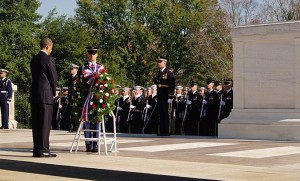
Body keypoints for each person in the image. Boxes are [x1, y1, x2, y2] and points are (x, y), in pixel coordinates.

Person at [30, 37, 57, 157]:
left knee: (36, 125)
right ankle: (44, 149)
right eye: (51, 48)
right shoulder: (48, 60)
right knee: (45, 124)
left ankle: (37, 149)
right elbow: (53, 78)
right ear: (47, 46)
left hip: (35, 94)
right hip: (45, 95)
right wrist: (54, 92)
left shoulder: (34, 59)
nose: (51, 50)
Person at [77, 46, 104, 152]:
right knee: (87, 119)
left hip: (97, 98)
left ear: (97, 55)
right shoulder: (83, 67)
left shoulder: (101, 67)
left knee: (96, 119)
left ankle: (96, 143)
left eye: (94, 53)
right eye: (90, 53)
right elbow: (79, 83)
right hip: (86, 96)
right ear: (87, 54)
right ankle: (88, 143)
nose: (92, 55)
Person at [154, 57, 175, 136]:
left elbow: (172, 85)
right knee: (161, 113)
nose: (158, 63)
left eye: (160, 62)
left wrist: (170, 97)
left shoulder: (169, 73)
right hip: (160, 96)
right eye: (158, 62)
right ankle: (162, 131)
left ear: (164, 63)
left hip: (166, 96)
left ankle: (167, 130)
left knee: (167, 114)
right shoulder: (158, 73)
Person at [67, 63, 79, 132]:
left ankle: (76, 127)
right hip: (71, 97)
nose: (71, 70)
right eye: (70, 69)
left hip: (76, 97)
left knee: (76, 113)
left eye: (72, 69)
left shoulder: (78, 77)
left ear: (76, 69)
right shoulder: (70, 77)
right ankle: (72, 126)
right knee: (71, 112)